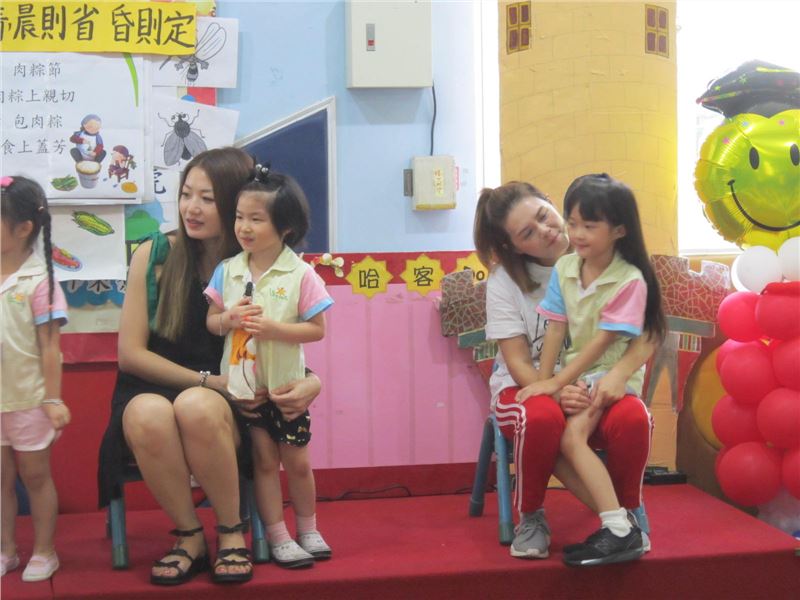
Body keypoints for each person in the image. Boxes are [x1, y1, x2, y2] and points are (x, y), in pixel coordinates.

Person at [96, 148, 323, 585]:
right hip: (157, 384)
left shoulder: (259, 264)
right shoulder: (154, 254)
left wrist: (313, 381)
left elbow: (281, 338)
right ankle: (190, 536)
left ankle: (231, 531)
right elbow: (131, 355)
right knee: (147, 413)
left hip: (226, 396)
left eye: (207, 198)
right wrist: (209, 381)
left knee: (196, 406)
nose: (191, 208)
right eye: (186, 194)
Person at [473, 180, 655, 565]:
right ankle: (533, 517)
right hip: (527, 386)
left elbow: (648, 333)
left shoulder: (612, 257)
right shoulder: (505, 281)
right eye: (528, 233)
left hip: (594, 380)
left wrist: (617, 375)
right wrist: (555, 389)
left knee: (632, 416)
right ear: (513, 246)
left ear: (553, 204)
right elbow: (518, 361)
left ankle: (625, 514)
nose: (546, 231)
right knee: (542, 417)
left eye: (545, 216)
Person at [520, 173, 665, 566]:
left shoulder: (630, 279)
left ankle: (618, 527)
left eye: (590, 225)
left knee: (570, 439)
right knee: (554, 444)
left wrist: (557, 381)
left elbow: (603, 343)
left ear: (620, 229)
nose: (577, 233)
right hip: (578, 375)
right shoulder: (566, 267)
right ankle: (621, 524)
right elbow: (555, 326)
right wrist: (545, 384)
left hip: (610, 374)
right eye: (572, 223)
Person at [205, 165, 333, 569]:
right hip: (246, 390)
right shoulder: (228, 270)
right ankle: (278, 536)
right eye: (239, 217)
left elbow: (317, 330)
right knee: (263, 462)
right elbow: (211, 322)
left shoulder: (301, 274)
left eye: (256, 219)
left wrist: (275, 329)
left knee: (298, 463)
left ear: (286, 227)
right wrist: (229, 319)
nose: (244, 227)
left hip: (287, 389)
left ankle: (308, 529)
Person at [1, 176, 71, 582]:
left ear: (24, 228)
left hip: (29, 400)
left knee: (35, 477)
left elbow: (50, 347)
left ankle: (45, 551)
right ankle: (6, 549)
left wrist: (53, 398)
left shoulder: (40, 281)